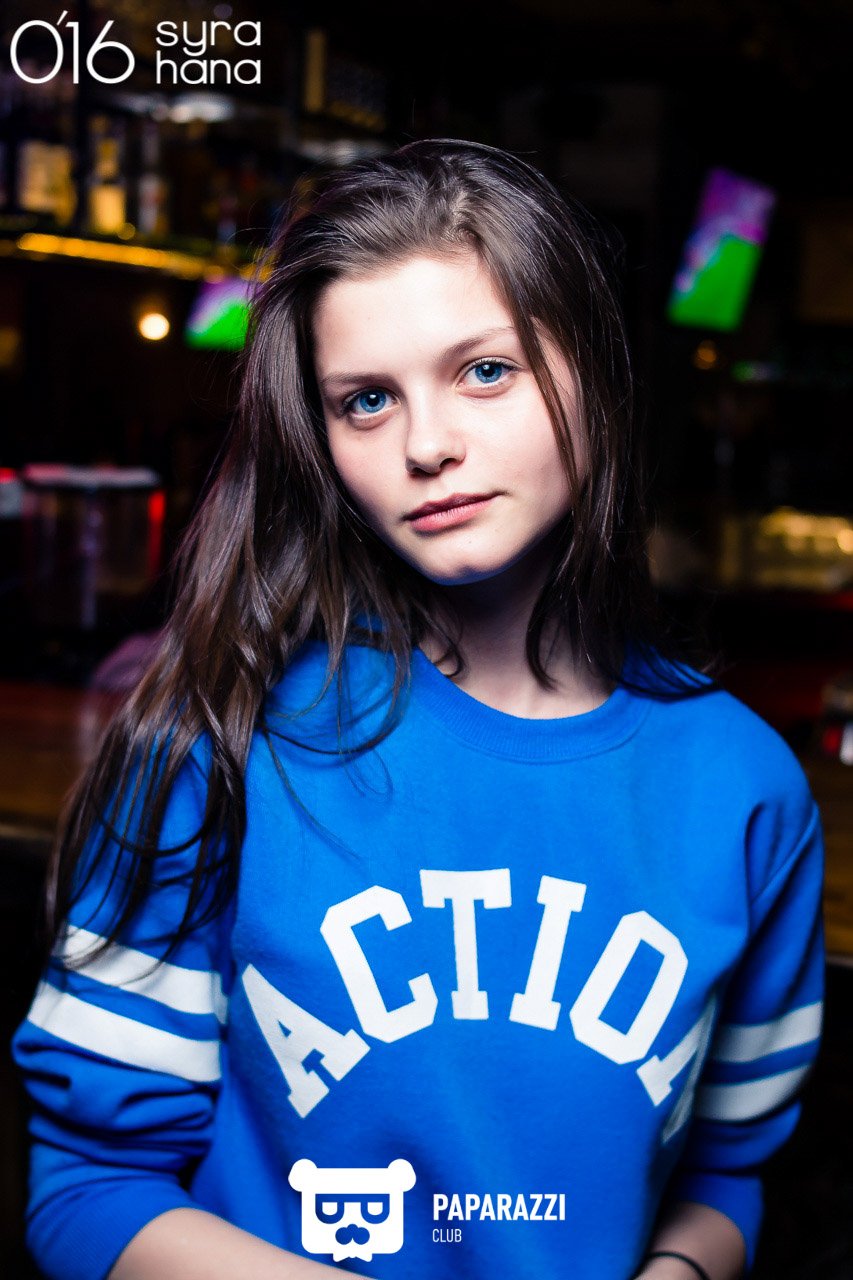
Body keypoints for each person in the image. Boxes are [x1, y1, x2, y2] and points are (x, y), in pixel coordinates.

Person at [12, 139, 824, 1280]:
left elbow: (726, 1173)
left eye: (484, 371)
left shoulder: (744, 788)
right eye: (366, 401)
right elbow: (89, 1188)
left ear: (592, 372)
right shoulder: (221, 742)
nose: (427, 445)